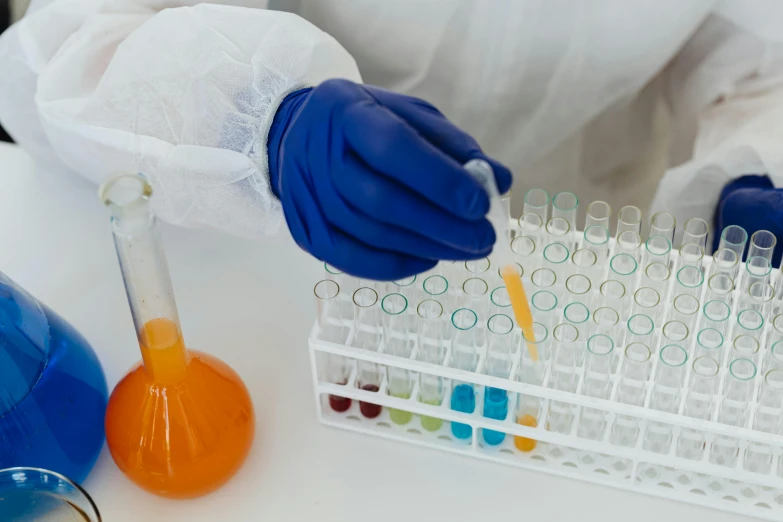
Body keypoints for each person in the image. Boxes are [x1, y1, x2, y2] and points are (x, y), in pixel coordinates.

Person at [0, 0, 781, 280]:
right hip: (280, 250)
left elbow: (755, 59)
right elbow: (57, 62)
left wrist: (761, 167)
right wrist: (255, 125)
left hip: (577, 257)